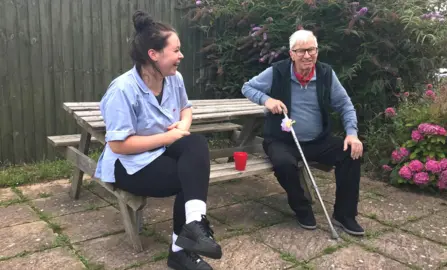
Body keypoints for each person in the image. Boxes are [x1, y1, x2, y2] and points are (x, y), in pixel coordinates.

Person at [94, 10, 221, 270]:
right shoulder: (123, 89)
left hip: (161, 149)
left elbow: (186, 108)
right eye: (176, 50)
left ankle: (194, 225)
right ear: (154, 54)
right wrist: (169, 136)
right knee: (188, 175)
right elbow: (119, 145)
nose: (181, 56)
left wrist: (183, 125)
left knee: (196, 145)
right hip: (128, 164)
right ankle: (180, 252)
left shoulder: (174, 79)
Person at [241, 29, 365, 236]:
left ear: (317, 51)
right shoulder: (277, 72)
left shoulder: (326, 74)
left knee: (351, 153)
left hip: (318, 140)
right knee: (283, 164)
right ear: (291, 54)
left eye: (311, 50)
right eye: (301, 51)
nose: (306, 55)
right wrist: (267, 100)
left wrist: (352, 133)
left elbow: (345, 104)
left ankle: (345, 214)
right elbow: (247, 87)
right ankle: (301, 207)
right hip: (282, 140)